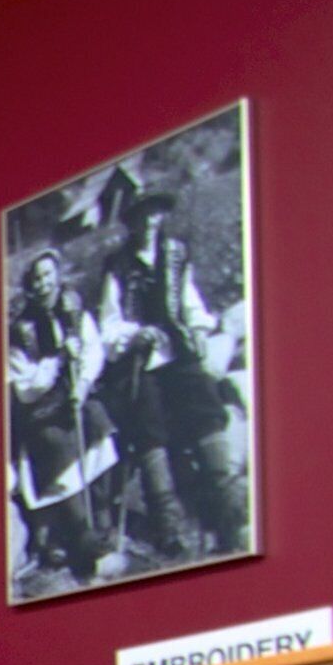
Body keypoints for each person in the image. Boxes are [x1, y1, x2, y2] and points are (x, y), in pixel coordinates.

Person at [94, 189, 245, 560]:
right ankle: (169, 525)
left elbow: (190, 303)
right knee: (148, 428)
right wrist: (135, 334)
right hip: (141, 362)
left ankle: (230, 513)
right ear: (130, 223)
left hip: (178, 353)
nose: (149, 223)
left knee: (205, 408)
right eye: (141, 217)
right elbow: (109, 324)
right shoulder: (117, 266)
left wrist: (197, 327)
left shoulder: (176, 254)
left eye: (155, 215)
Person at [6, 250, 112, 589]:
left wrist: (81, 383)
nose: (44, 283)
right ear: (29, 285)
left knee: (99, 420)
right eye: (36, 278)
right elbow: (23, 387)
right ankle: (80, 535)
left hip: (76, 396)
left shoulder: (73, 306)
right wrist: (55, 362)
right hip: (41, 410)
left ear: (58, 275)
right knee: (54, 443)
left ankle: (104, 520)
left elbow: (94, 349)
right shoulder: (20, 328)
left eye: (48, 275)